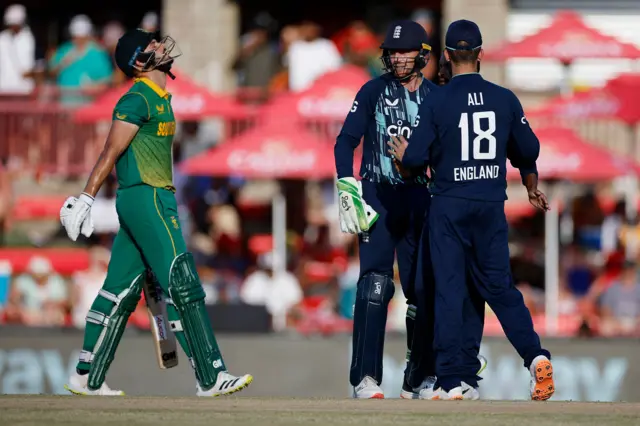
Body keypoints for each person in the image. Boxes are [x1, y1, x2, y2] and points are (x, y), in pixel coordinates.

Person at [59, 29, 252, 396]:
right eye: (152, 46)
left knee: (120, 289)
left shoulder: (161, 97)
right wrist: (85, 197)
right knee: (181, 278)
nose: (162, 47)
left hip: (150, 199)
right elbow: (110, 151)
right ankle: (211, 377)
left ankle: (85, 375)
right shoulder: (137, 99)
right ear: (138, 62)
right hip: (147, 198)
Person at [388, 19, 554, 401]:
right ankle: (535, 357)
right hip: (490, 206)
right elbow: (527, 151)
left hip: (448, 205)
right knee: (499, 289)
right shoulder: (504, 99)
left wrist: (403, 157)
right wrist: (530, 184)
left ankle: (452, 379)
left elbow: (415, 156)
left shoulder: (438, 99)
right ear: (480, 55)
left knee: (449, 289)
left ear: (446, 55)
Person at [335, 19, 443, 400]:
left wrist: (418, 164)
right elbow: (345, 142)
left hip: (419, 198)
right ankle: (365, 379)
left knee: (422, 288)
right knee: (375, 285)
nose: (397, 58)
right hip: (377, 196)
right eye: (393, 51)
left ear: (422, 55)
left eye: (405, 52)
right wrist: (346, 185)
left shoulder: (436, 96)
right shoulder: (371, 91)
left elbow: (444, 155)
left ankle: (420, 377)